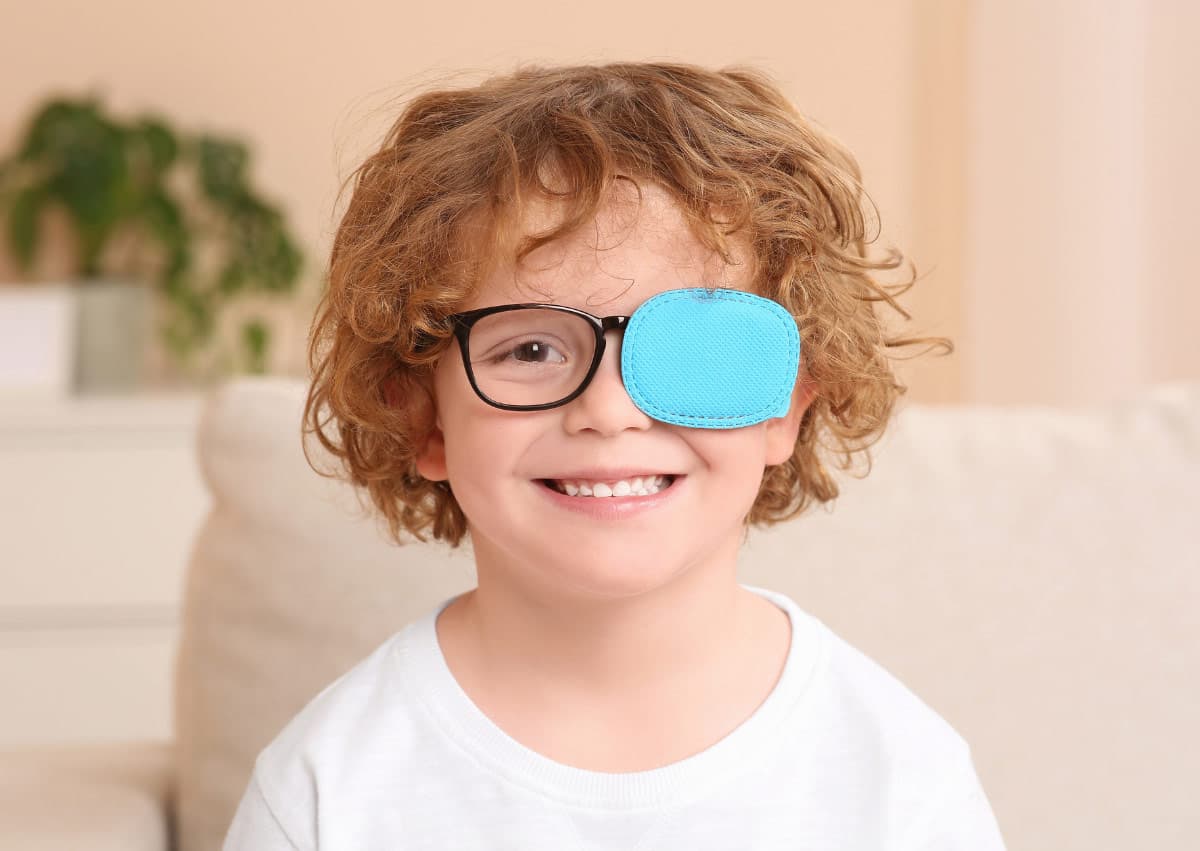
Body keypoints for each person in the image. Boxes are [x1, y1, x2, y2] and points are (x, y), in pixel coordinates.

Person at [223, 61, 1007, 849]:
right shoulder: (326, 791)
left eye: (691, 346)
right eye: (530, 348)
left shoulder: (902, 781)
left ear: (785, 407)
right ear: (422, 416)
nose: (608, 409)